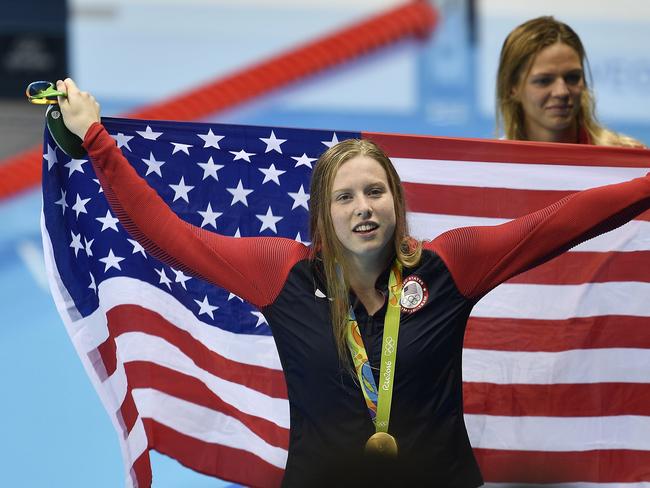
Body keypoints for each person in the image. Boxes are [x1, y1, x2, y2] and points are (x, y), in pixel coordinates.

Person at [56, 78, 650, 487]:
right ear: (323, 215)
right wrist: (96, 141)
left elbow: (560, 223)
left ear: (396, 200)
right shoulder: (281, 274)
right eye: (345, 197)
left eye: (375, 191)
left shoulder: (449, 267)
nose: (362, 208)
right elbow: (166, 236)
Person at [496, 16, 644, 147]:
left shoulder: (628, 159)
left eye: (572, 77)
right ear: (512, 88)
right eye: (544, 81)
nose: (562, 92)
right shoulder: (494, 167)